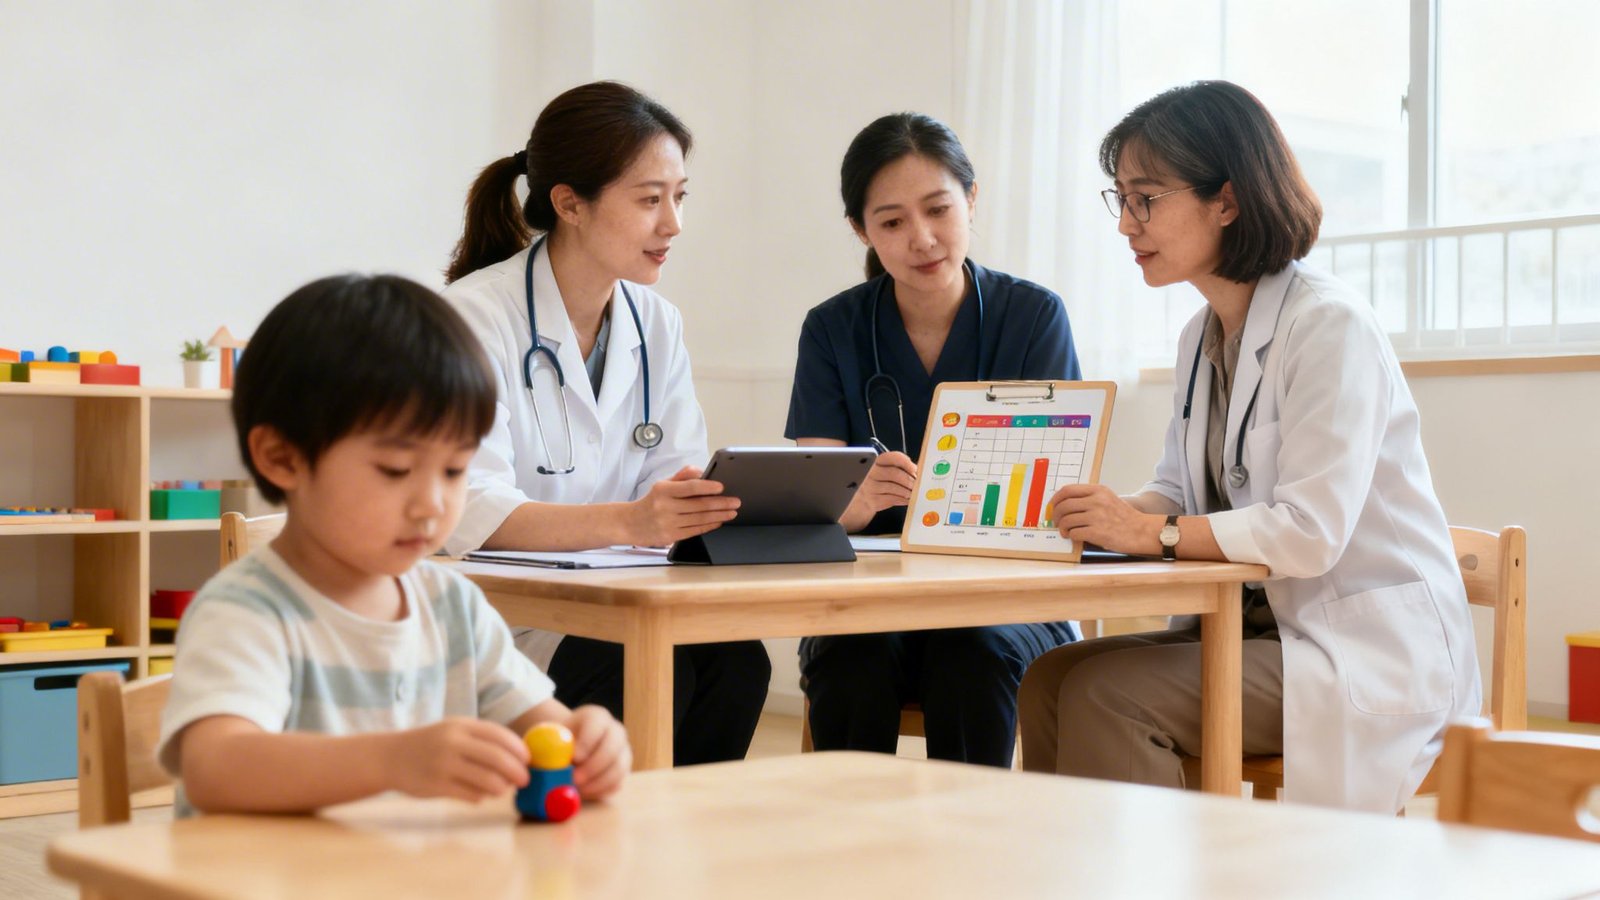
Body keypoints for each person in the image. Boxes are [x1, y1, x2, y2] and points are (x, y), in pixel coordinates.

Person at [1017, 81, 1481, 812]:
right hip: (1259, 631)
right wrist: (1093, 514)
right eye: (1122, 199)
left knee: (1108, 697)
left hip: (1362, 654)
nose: (1126, 224)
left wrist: (1148, 531)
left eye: (1146, 199)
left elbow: (1310, 531)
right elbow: (1174, 494)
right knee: (1049, 679)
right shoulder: (1200, 337)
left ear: (1226, 202)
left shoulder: (1330, 328)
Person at [156, 274, 630, 816]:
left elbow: (546, 727)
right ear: (283, 458)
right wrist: (392, 762)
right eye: (396, 469)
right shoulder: (246, 612)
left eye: (455, 470)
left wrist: (587, 740)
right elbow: (217, 769)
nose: (431, 504)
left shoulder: (453, 607)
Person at [440, 81, 769, 765]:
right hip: (512, 624)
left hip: (627, 600)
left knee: (738, 659)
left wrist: (703, 502)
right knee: (647, 669)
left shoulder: (657, 324)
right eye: (650, 199)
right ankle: (617, 853)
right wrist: (631, 522)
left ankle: (687, 850)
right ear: (570, 204)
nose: (673, 223)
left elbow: (673, 471)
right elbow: (468, 508)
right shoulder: (475, 318)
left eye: (680, 197)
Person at [785, 113, 1081, 767]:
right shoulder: (832, 330)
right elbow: (813, 507)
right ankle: (848, 854)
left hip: (1005, 602)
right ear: (862, 231)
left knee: (971, 651)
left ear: (971, 200)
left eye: (939, 210)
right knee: (849, 654)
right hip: (872, 599)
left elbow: (1049, 498)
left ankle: (972, 856)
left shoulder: (1033, 318)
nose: (921, 239)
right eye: (891, 222)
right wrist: (854, 505)